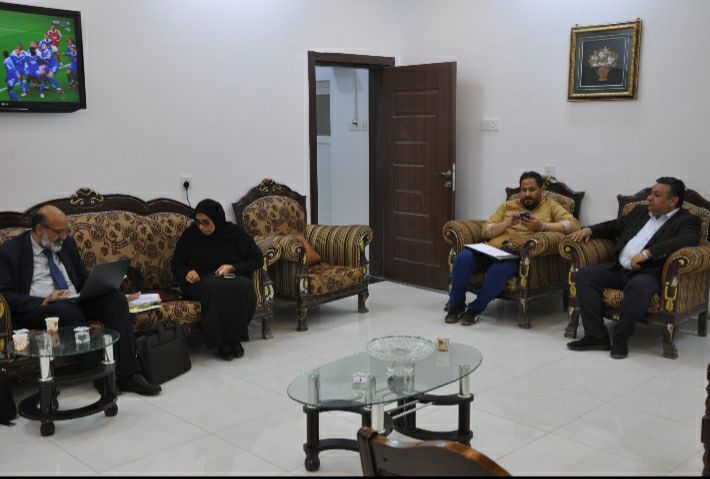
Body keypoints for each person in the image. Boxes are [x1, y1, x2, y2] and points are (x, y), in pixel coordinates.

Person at [0, 205, 161, 395]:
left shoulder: (66, 243)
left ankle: (130, 375)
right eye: (60, 232)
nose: (64, 236)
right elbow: (5, 294)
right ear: (40, 229)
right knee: (68, 311)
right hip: (41, 307)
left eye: (66, 231)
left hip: (74, 299)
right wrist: (43, 300)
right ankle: (99, 377)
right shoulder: (11, 251)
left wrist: (105, 285)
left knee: (116, 300)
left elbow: (82, 278)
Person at [566, 177, 701, 359]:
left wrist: (648, 253)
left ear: (673, 201)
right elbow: (614, 226)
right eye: (651, 193)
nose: (649, 198)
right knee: (584, 275)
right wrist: (589, 230)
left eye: (656, 195)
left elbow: (688, 239)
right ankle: (596, 336)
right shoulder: (640, 211)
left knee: (639, 286)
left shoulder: (687, 220)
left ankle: (620, 339)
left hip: (648, 273)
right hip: (618, 269)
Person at [445, 171, 580, 325]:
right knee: (463, 258)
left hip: (516, 254)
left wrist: (542, 226)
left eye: (532, 189)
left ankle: (475, 308)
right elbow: (486, 230)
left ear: (541, 190)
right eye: (524, 190)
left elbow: (573, 225)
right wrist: (507, 223)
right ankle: (457, 305)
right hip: (492, 249)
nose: (527, 194)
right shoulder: (508, 205)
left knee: (499, 270)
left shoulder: (551, 205)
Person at [171, 199, 262, 361]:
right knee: (213, 287)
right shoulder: (191, 235)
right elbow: (176, 264)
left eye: (206, 222)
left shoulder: (234, 233)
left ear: (217, 219)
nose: (201, 227)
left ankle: (234, 339)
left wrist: (233, 267)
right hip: (200, 281)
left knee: (244, 285)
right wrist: (186, 273)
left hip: (230, 277)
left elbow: (257, 259)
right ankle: (221, 343)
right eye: (198, 222)